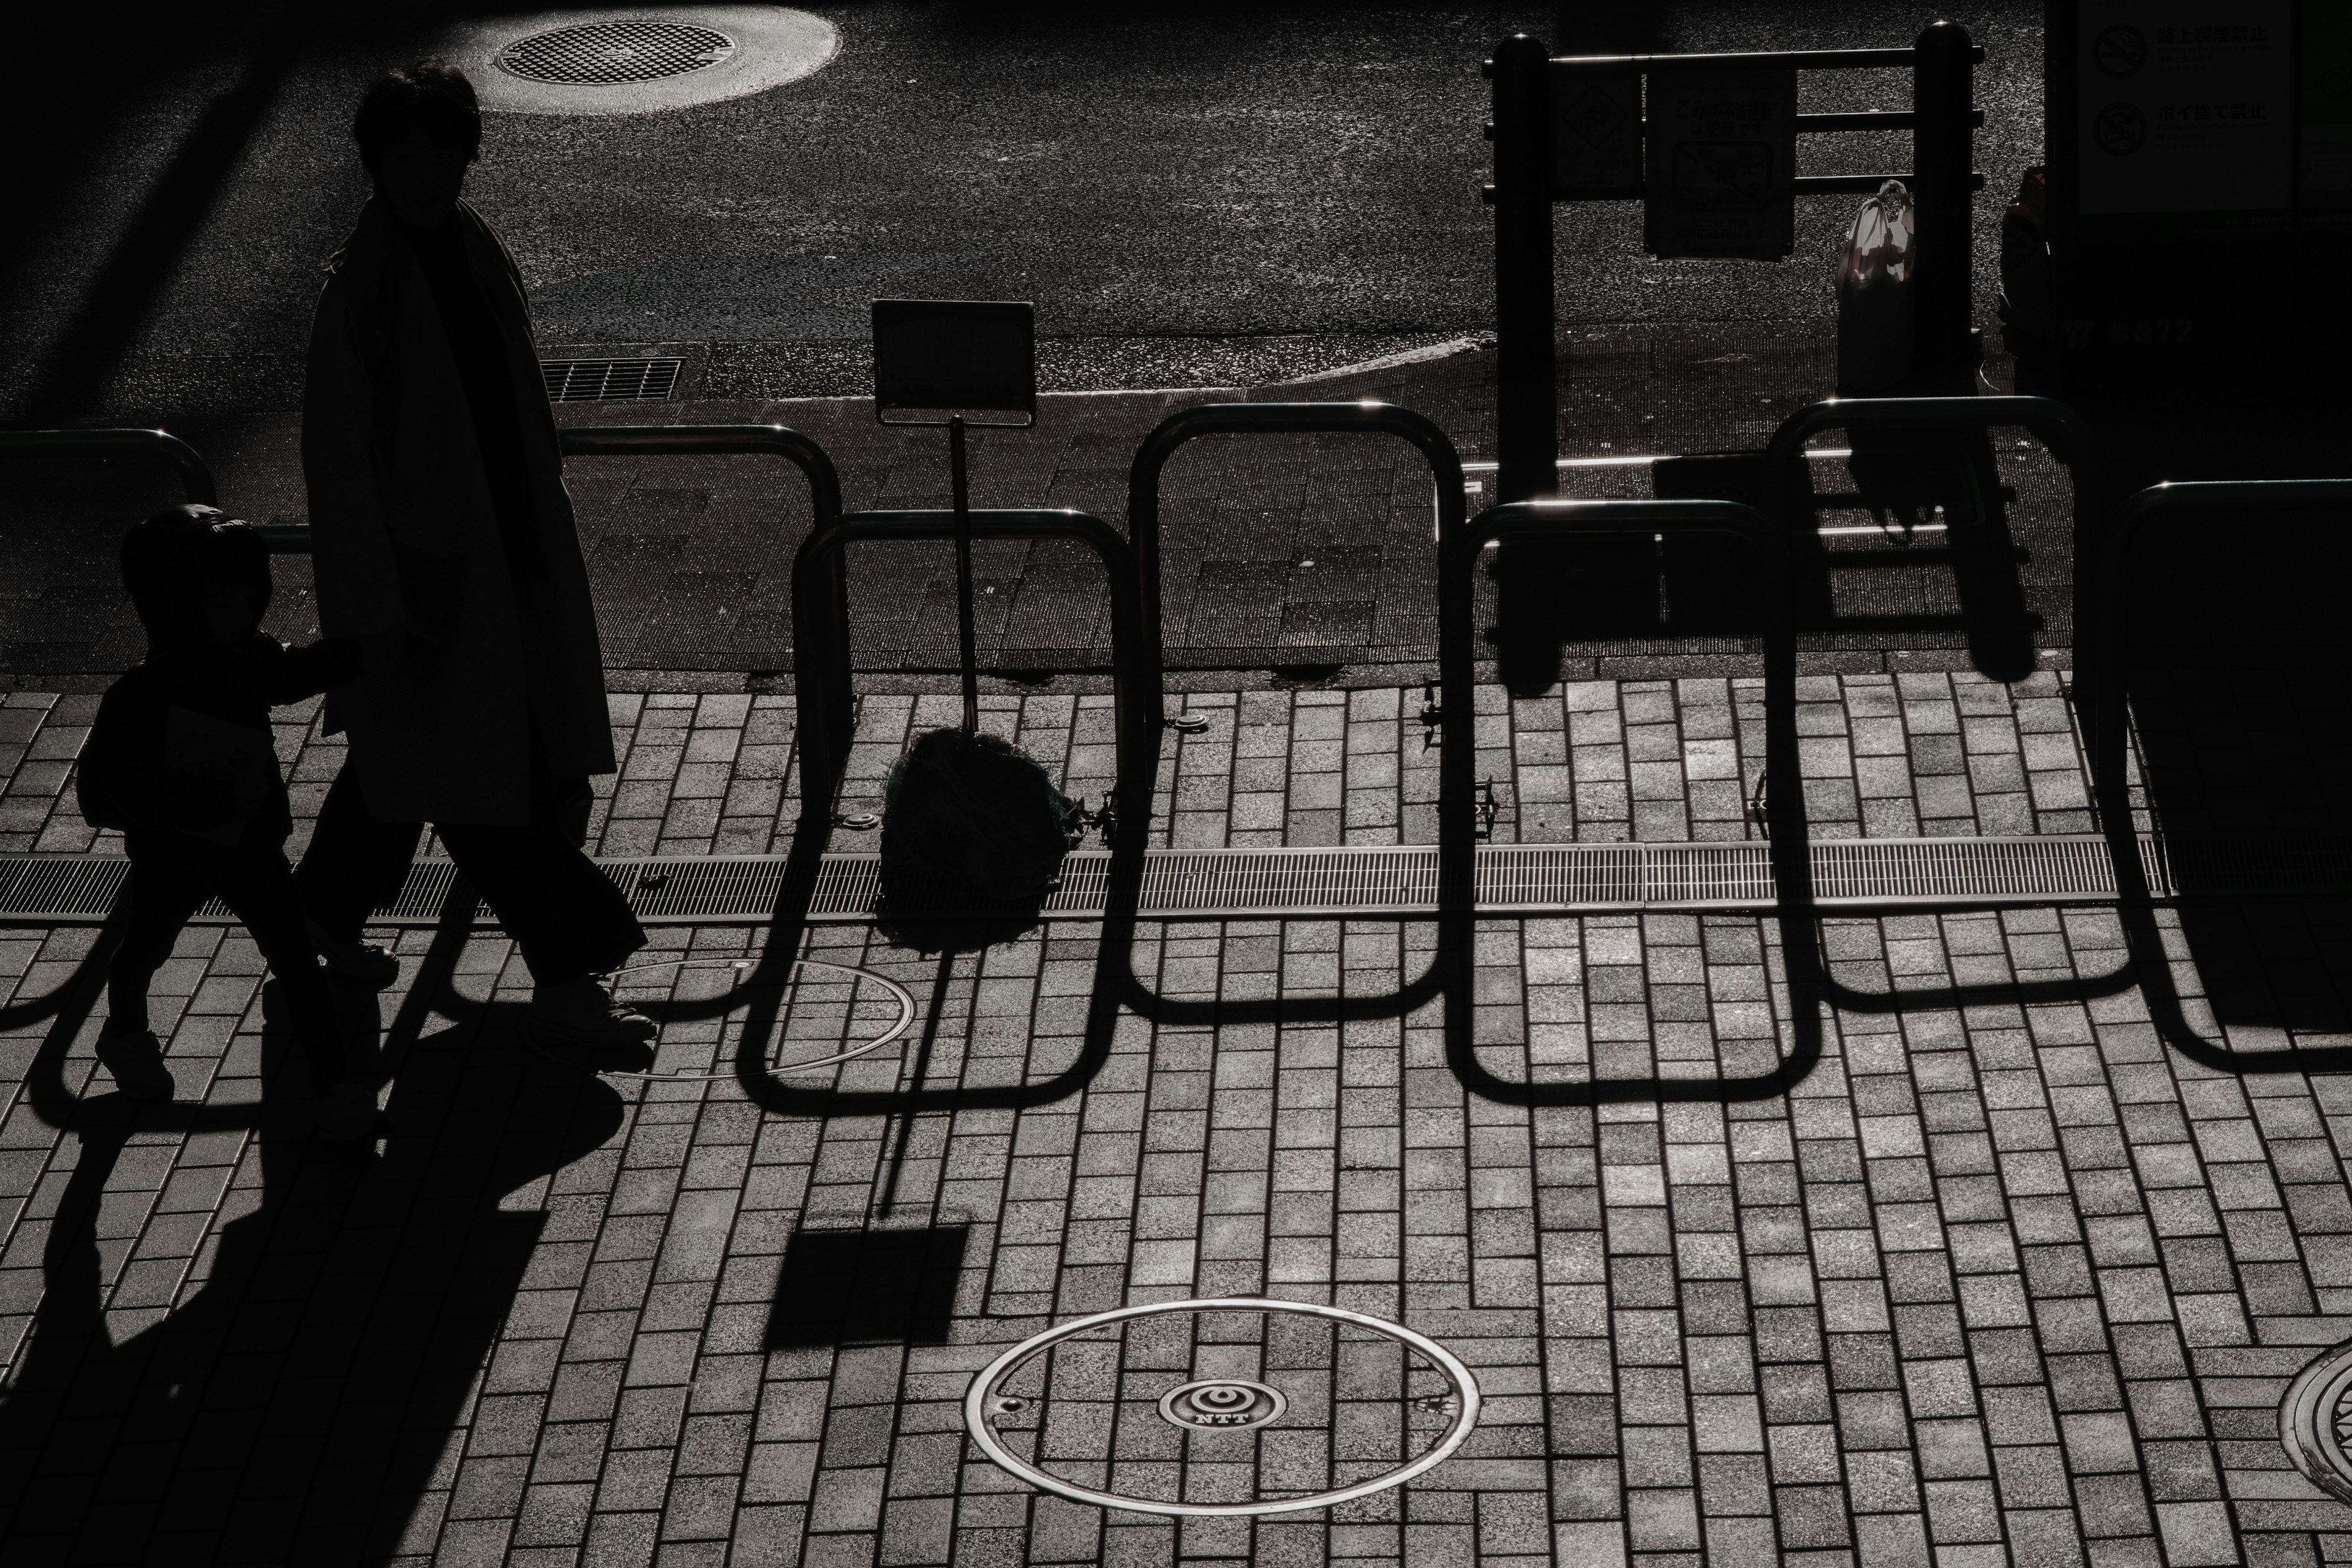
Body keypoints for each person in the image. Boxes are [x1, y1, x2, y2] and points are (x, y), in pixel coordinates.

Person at [296, 61, 654, 1047]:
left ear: (464, 155)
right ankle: (571, 978)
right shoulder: (367, 292)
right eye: (402, 157)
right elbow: (341, 475)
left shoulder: (457, 246)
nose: (422, 174)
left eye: (440, 152)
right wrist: (375, 618)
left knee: (407, 776)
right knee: (491, 791)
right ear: (376, 164)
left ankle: (315, 921)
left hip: (486, 564)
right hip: (439, 586)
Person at [77, 506, 375, 1137]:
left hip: (246, 847)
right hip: (177, 854)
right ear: (176, 603)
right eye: (223, 598)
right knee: (146, 949)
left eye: (250, 594)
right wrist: (181, 807)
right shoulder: (142, 694)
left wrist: (359, 654)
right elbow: (104, 793)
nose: (242, 609)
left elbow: (297, 673)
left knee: (295, 960)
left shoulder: (244, 658)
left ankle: (338, 1085)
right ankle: (126, 1033)